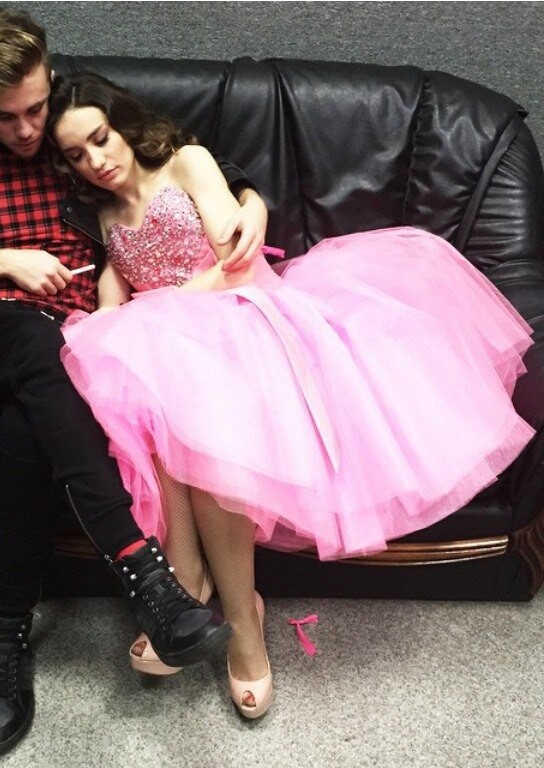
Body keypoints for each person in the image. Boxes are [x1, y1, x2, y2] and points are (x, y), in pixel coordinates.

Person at [47, 71, 536, 719]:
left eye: (101, 138)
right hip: (177, 351)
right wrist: (106, 329)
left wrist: (153, 310)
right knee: (146, 393)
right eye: (77, 154)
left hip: (245, 319)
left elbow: (237, 264)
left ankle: (241, 624)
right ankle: (189, 581)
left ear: (123, 125)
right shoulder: (107, 217)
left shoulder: (186, 163)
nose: (96, 160)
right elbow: (111, 310)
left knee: (203, 420)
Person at [0, 7, 270, 758]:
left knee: (34, 412)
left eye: (35, 108)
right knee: (34, 339)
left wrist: (251, 199)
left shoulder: (78, 138)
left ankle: (4, 634)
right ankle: (146, 574)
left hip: (76, 343)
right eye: (5, 117)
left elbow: (181, 164)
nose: (26, 129)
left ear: (51, 81)